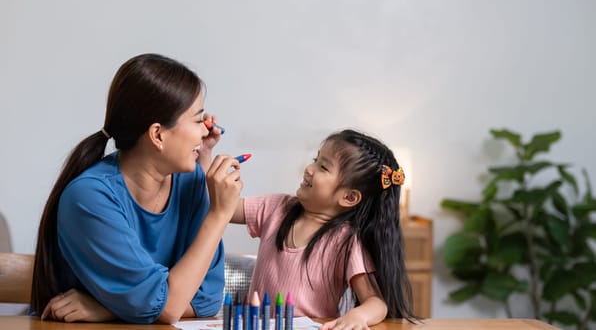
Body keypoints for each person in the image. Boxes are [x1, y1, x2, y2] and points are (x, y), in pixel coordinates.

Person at [31, 53, 243, 324]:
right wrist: (219, 214)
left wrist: (109, 309)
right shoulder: (89, 198)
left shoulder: (190, 185)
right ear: (157, 134)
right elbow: (168, 309)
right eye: (197, 120)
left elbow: (207, 298)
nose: (206, 132)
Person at [231, 129, 418, 329]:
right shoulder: (276, 208)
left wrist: (359, 316)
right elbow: (223, 209)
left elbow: (376, 303)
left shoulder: (345, 241)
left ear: (349, 197)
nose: (309, 169)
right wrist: (207, 159)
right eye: (315, 159)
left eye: (323, 167)